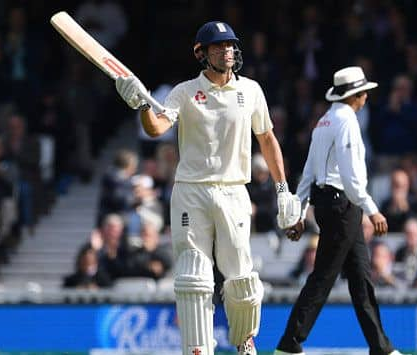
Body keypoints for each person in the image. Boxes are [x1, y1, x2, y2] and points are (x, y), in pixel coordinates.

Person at [115, 21, 300, 355]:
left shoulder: (251, 91)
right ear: (201, 53)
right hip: (191, 191)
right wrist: (142, 106)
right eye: (218, 46)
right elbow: (157, 128)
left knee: (240, 276)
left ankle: (244, 340)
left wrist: (283, 189)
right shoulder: (184, 92)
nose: (227, 51)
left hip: (233, 190)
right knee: (194, 275)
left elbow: (268, 139)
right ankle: (197, 349)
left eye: (230, 45)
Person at [274, 67, 403, 355]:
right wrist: (373, 209)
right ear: (354, 95)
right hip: (342, 205)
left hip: (334, 204)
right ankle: (289, 343)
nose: (367, 96)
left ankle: (380, 346)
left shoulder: (324, 121)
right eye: (363, 92)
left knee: (361, 278)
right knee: (324, 276)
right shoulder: (346, 121)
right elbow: (350, 176)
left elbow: (308, 172)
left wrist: (299, 210)